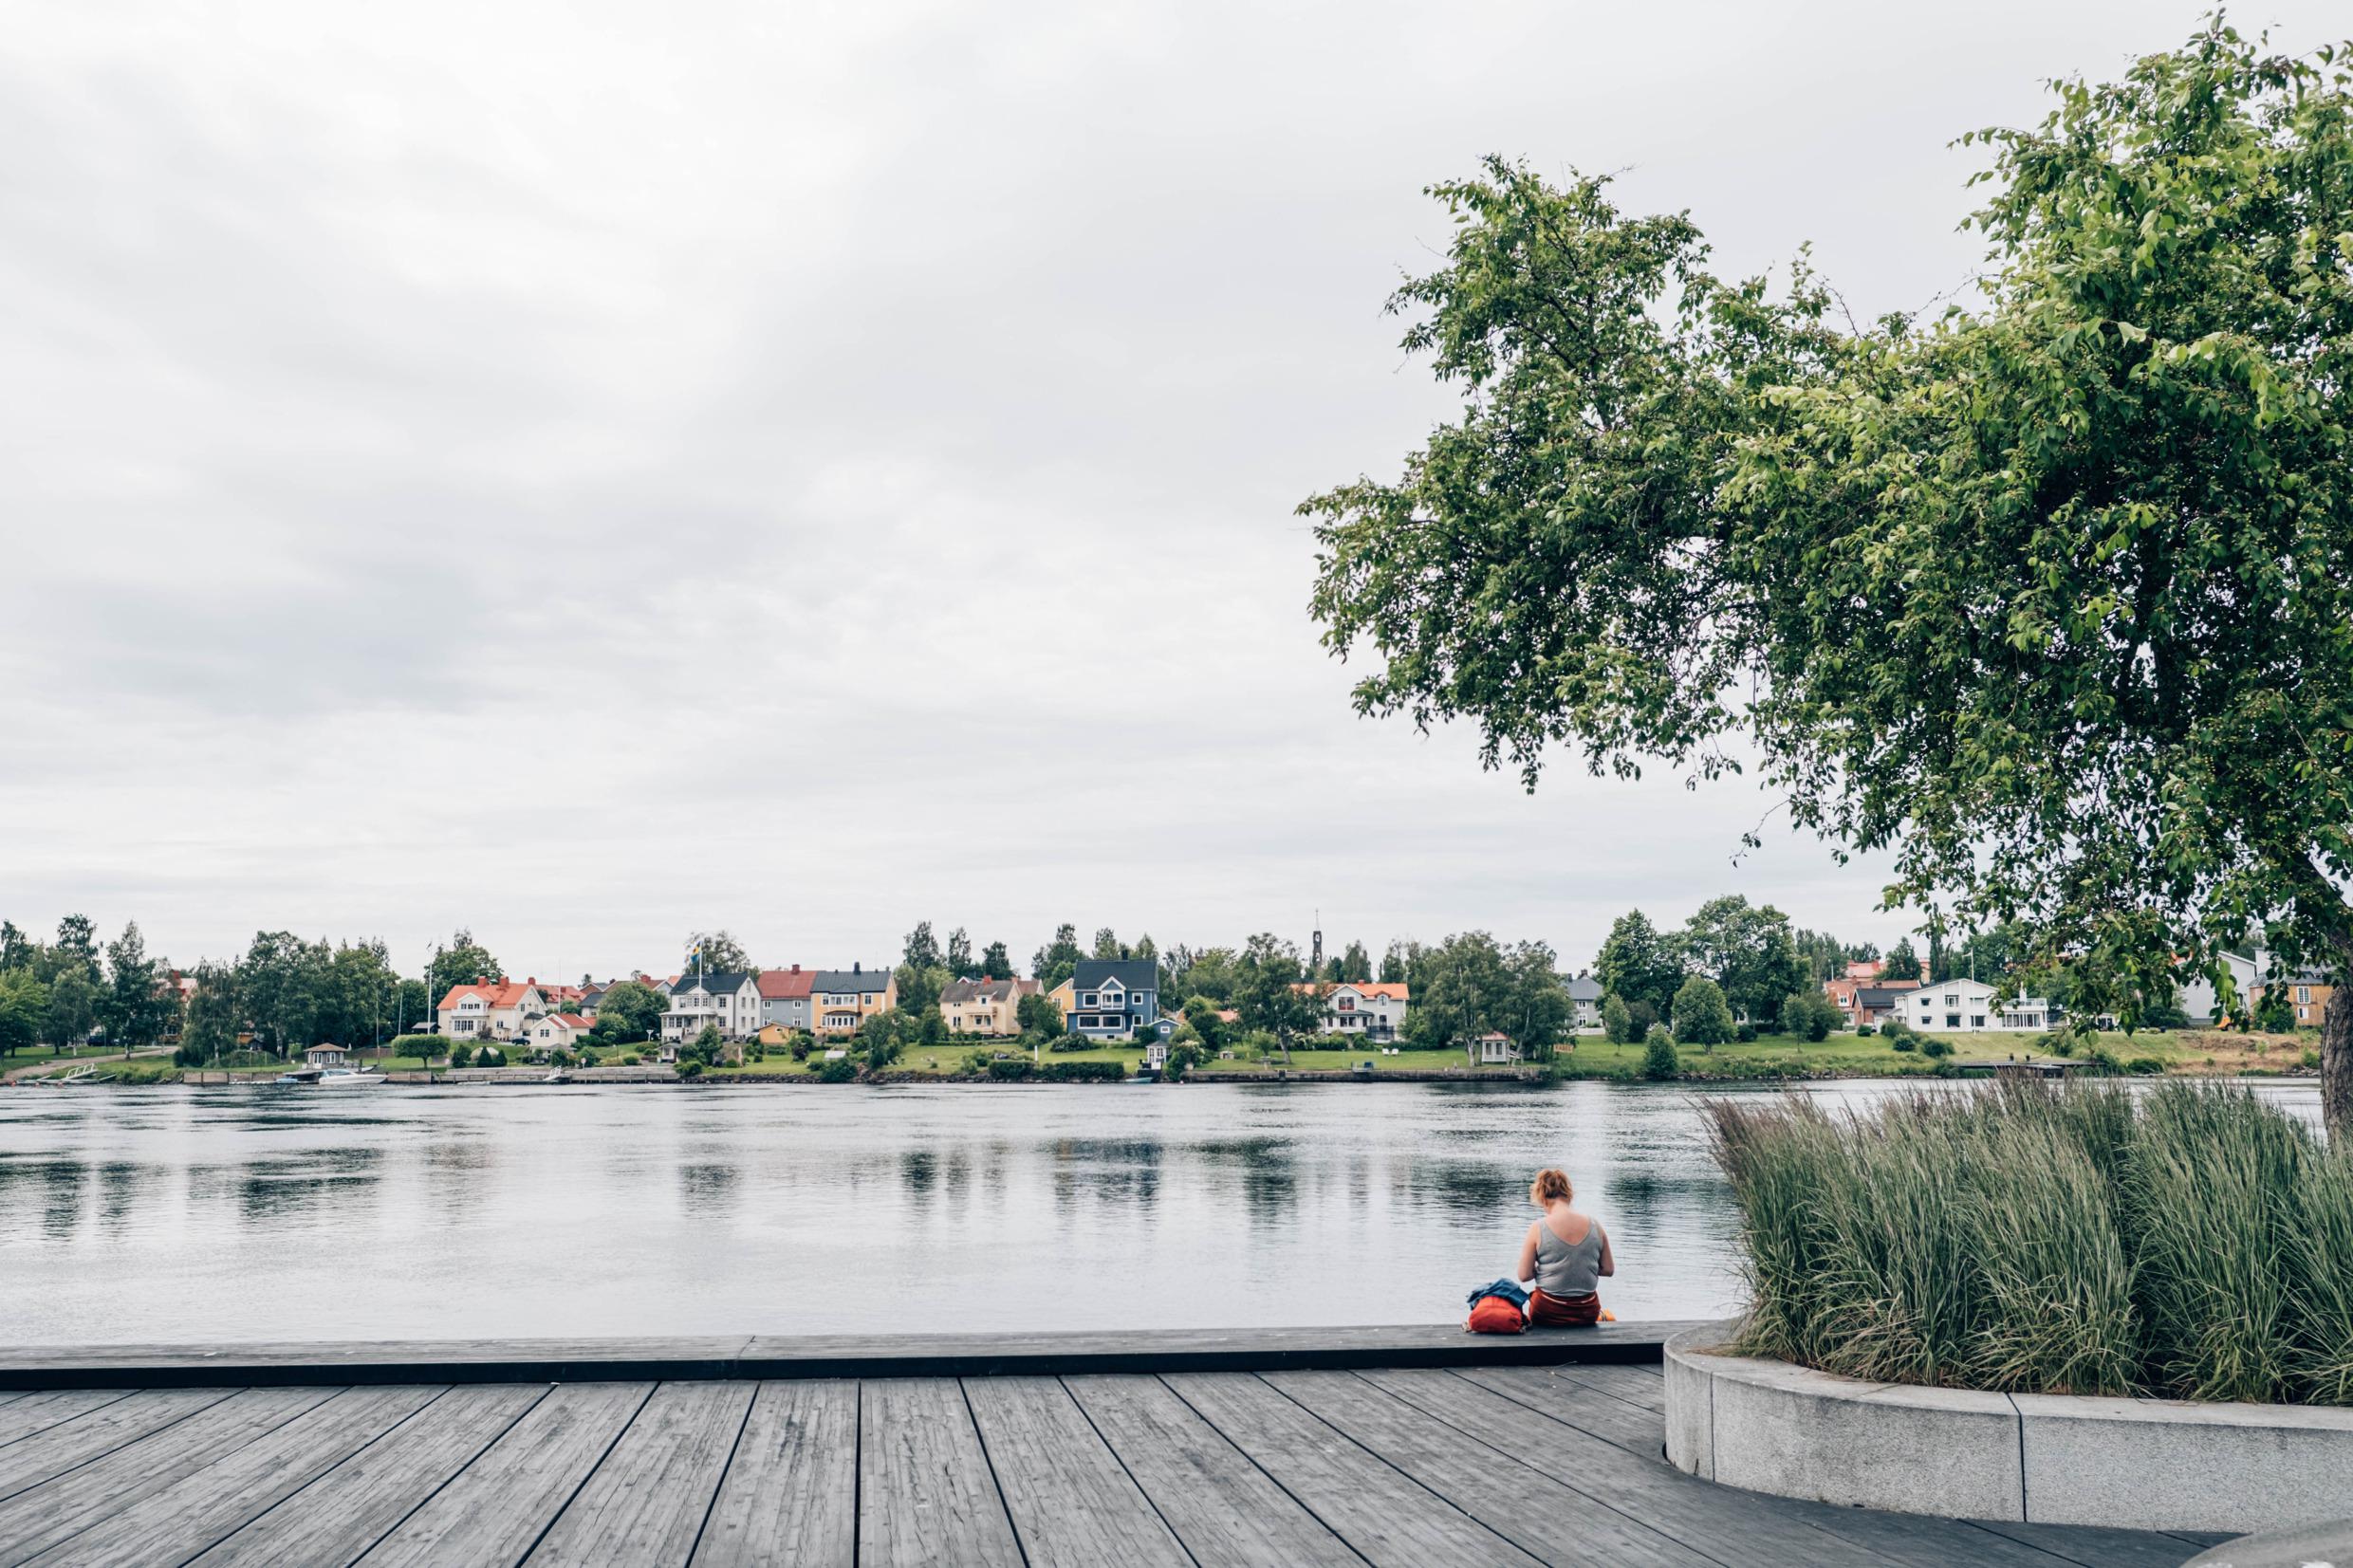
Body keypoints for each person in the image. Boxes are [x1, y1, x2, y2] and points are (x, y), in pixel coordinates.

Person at [1516, 1168, 1613, 1326]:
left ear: (1542, 1196)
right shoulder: (1596, 1225)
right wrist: (1580, 1267)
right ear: (1568, 1195)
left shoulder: (1538, 1227)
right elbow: (1608, 1269)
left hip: (1547, 1311)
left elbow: (1524, 1275)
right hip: (1587, 1312)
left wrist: (1548, 1270)